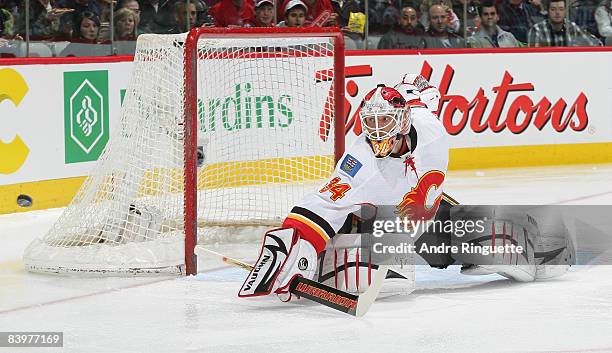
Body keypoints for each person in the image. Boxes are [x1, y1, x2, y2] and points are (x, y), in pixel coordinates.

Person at [238, 76, 450, 300]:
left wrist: (418, 85)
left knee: (486, 246)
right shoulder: (360, 161)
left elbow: (420, 99)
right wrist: (296, 242)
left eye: (385, 121)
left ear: (403, 121)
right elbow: (326, 203)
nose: (377, 131)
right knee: (372, 271)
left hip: (426, 216)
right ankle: (310, 262)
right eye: (371, 122)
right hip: (386, 223)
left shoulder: (429, 126)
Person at [528, 0, 602, 46]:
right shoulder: (537, 30)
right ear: (548, 11)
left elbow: (597, 44)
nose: (557, 13)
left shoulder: (572, 27)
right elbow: (535, 58)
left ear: (565, 11)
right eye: (553, 9)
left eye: (561, 9)